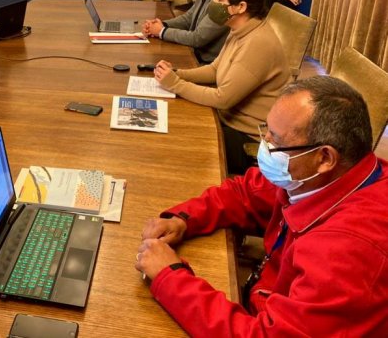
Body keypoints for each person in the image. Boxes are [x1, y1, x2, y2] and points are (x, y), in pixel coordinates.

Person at [135, 76, 388, 336]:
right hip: (266, 296)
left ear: (324, 157)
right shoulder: (328, 175)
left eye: (276, 141)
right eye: (266, 131)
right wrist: (183, 219)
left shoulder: (349, 252)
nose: (265, 146)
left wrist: (170, 276)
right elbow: (245, 192)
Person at [154, 0, 290, 173]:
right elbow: (214, 69)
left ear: (240, 7)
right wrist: (178, 73)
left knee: (177, 138)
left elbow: (222, 98)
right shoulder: (239, 29)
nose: (213, 3)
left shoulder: (258, 43)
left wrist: (175, 84)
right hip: (228, 119)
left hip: (248, 138)